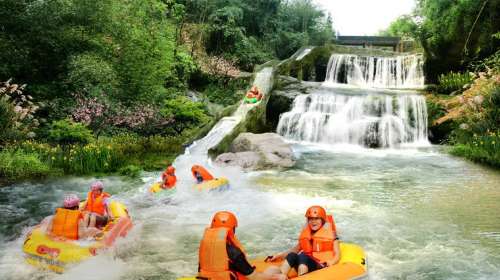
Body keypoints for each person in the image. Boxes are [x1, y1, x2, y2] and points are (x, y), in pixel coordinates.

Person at [198, 211, 286, 280]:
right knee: (274, 270)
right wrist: (276, 277)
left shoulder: (205, 249)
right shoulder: (234, 253)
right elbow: (255, 277)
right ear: (231, 230)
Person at [268, 206, 340, 276]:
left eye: (316, 218)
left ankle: (302, 277)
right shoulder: (306, 235)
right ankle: (280, 276)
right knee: (292, 255)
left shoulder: (332, 234)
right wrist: (279, 255)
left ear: (323, 220)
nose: (313, 221)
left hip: (320, 265)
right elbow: (295, 250)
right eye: (310, 219)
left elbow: (337, 253)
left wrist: (331, 262)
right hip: (305, 263)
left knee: (303, 256)